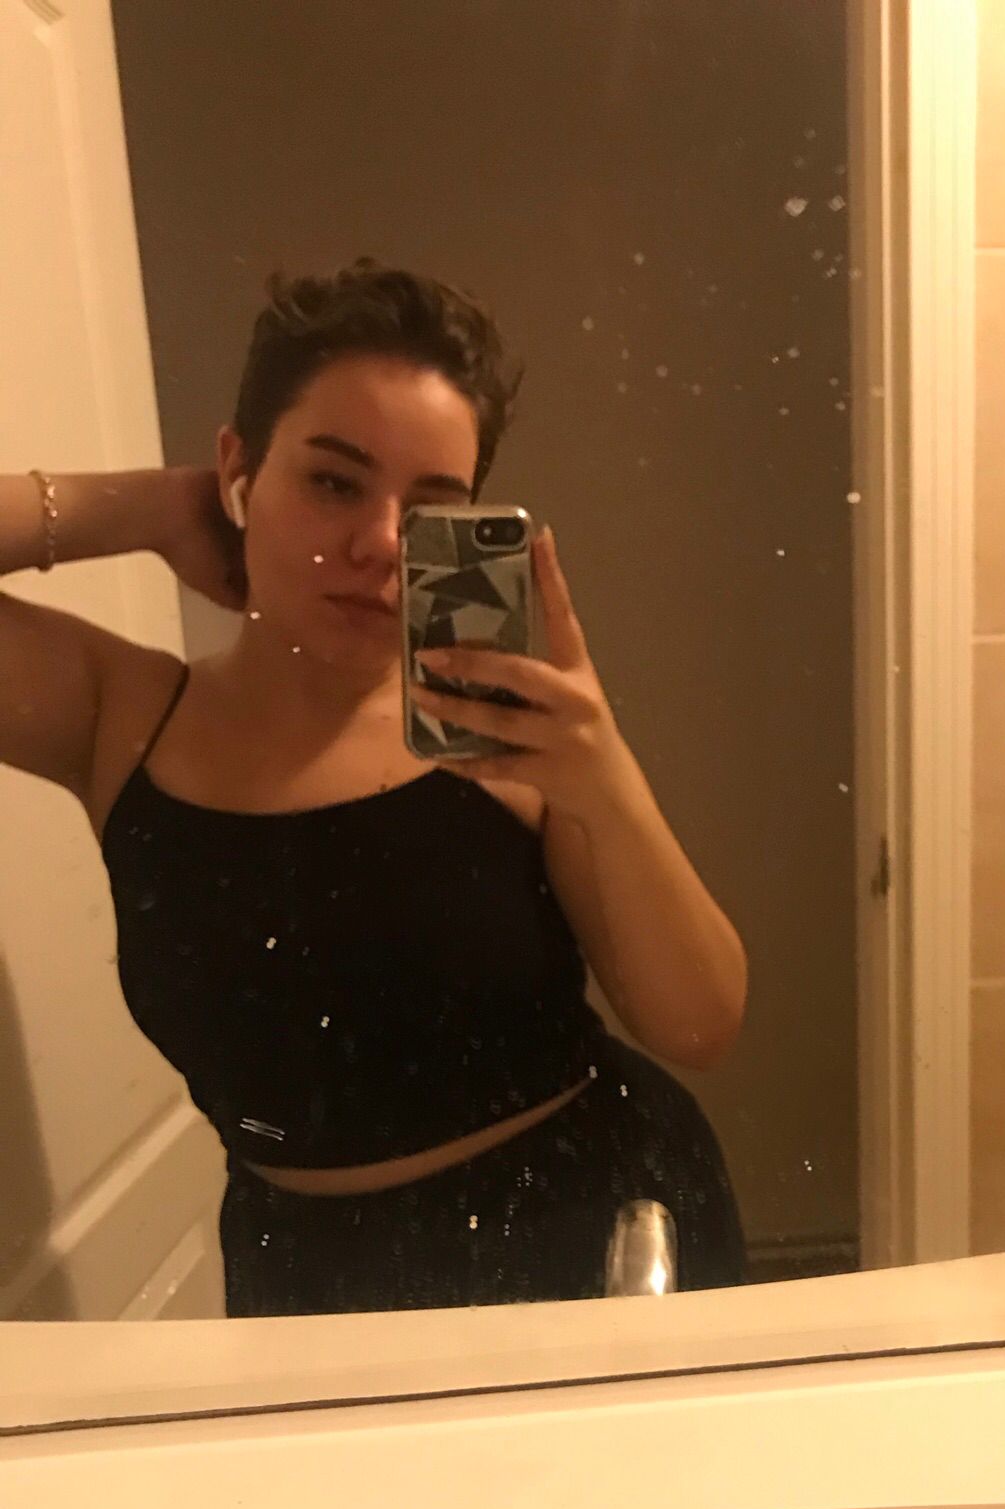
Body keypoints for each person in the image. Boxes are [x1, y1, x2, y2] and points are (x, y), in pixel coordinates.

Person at [0, 261, 747, 1315]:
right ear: (239, 469)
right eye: (333, 482)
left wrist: (605, 779)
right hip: (305, 1277)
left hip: (589, 1239)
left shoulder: (508, 731)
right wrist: (149, 507)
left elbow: (701, 1025)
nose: (381, 544)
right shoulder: (119, 716)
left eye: (431, 507)